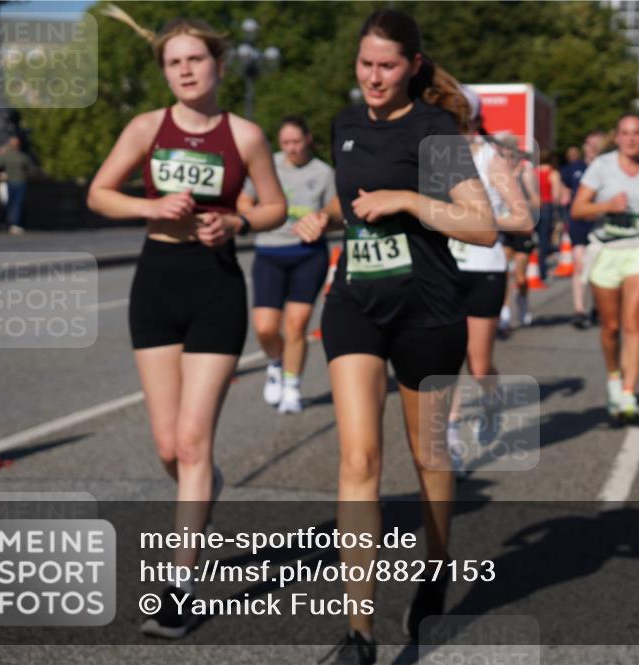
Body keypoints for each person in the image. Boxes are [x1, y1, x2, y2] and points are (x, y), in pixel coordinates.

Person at [299, 9, 495, 663]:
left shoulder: (436, 131)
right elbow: (350, 197)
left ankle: (436, 563)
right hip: (355, 301)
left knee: (429, 455)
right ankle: (359, 632)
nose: (374, 77)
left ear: (413, 66)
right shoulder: (346, 123)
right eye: (365, 65)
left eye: (387, 66)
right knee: (358, 460)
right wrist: (319, 217)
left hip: (428, 310)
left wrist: (408, 200)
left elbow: (482, 226)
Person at [89, 6, 286, 637]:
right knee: (169, 447)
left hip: (216, 287)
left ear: (219, 64)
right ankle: (202, 482)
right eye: (174, 63)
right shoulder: (146, 127)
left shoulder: (246, 135)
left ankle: (179, 588)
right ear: (165, 72)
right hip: (156, 283)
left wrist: (235, 221)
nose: (185, 70)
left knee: (194, 441)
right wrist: (151, 204)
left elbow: (275, 206)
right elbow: (99, 193)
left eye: (195, 59)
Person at [445, 87, 534, 476]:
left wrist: (481, 222)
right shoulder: (435, 156)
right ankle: (450, 441)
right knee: (444, 360)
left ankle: (491, 399)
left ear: (473, 117)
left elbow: (523, 219)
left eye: (458, 114)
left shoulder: (490, 158)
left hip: (484, 267)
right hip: (443, 268)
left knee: (478, 366)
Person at [237, 115, 337, 414]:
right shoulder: (269, 165)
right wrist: (252, 215)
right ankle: (276, 362)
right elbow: (244, 200)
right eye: (285, 143)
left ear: (307, 139)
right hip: (270, 251)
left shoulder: (322, 172)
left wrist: (322, 220)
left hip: (307, 253)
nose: (291, 148)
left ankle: (292, 385)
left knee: (296, 325)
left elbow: (335, 211)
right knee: (265, 328)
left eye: (296, 141)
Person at [570, 113, 639, 426]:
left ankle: (628, 395)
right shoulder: (602, 166)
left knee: (632, 321)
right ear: (618, 137)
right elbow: (578, 209)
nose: (631, 139)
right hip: (607, 250)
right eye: (625, 133)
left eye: (637, 133)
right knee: (610, 328)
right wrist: (605, 206)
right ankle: (613, 378)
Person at [561, 130, 607, 328]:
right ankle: (579, 309)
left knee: (599, 268)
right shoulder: (574, 168)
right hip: (579, 224)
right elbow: (564, 190)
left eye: (596, 145)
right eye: (588, 144)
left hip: (601, 224)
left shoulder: (607, 168)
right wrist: (564, 200)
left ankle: (598, 307)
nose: (591, 148)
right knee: (579, 264)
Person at [498, 135, 540, 333]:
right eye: (504, 156)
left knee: (521, 276)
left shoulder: (525, 173)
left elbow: (535, 200)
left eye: (511, 156)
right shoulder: (497, 174)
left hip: (522, 229)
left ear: (517, 155)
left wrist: (521, 205)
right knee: (504, 273)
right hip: (505, 228)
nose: (508, 160)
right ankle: (505, 312)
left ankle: (522, 301)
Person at [0, 135, 34, 234]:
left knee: (9, 204)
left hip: (9, 182)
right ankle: (14, 224)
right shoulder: (23, 156)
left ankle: (7, 223)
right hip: (20, 182)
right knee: (17, 204)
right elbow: (31, 169)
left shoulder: (6, 156)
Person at [534, 149, 562, 280]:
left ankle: (533, 267)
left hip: (534, 207)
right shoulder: (553, 173)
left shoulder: (533, 172)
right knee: (545, 238)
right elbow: (556, 195)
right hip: (546, 206)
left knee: (536, 237)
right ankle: (542, 271)